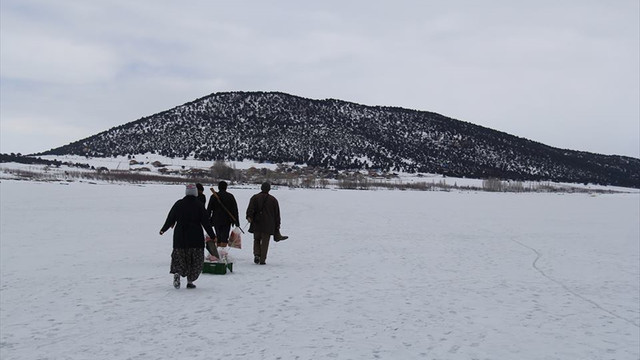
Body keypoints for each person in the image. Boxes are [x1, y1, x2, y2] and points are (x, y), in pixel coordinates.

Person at [160, 184, 216, 289]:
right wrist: (212, 235)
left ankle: (177, 273)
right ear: (195, 192)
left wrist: (164, 229)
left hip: (180, 237)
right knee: (195, 260)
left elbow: (170, 217)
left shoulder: (178, 204)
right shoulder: (199, 205)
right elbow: (206, 222)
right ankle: (190, 281)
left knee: (179, 258)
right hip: (195, 237)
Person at [246, 182, 288, 265]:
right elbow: (277, 214)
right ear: (269, 189)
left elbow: (250, 209)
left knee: (256, 239)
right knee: (265, 242)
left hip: (256, 223)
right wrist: (277, 225)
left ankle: (257, 255)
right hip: (268, 225)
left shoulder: (255, 197)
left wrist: (249, 217)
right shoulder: (273, 200)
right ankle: (262, 260)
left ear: (261, 188)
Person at [207, 181, 240, 247]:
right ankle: (223, 252)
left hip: (216, 219)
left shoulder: (213, 196)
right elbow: (235, 210)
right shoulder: (230, 196)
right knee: (225, 237)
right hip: (227, 220)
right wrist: (236, 221)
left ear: (218, 187)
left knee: (218, 235)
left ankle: (218, 250)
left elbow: (209, 209)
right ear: (226, 187)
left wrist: (207, 220)